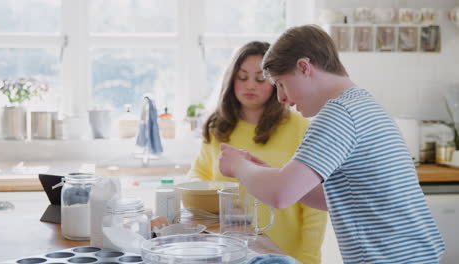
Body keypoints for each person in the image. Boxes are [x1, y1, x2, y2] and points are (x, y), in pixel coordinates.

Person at [218, 25, 445, 264]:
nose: (281, 98)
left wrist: (238, 167)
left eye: (281, 84)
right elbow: (337, 197)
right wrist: (267, 173)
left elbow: (281, 194)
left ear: (304, 67)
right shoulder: (362, 104)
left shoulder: (339, 114)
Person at [188, 41, 327, 264]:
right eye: (242, 77)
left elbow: (315, 210)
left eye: (260, 79)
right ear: (231, 79)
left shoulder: (300, 129)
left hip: (284, 255)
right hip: (228, 252)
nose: (250, 85)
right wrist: (216, 199)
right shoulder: (217, 128)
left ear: (276, 83)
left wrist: (308, 258)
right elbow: (196, 178)